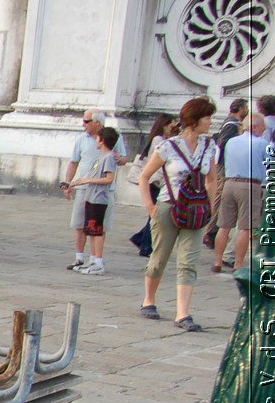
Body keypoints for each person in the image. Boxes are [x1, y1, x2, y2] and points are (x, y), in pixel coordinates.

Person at [136, 96, 220, 332]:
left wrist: (212, 207)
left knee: (188, 261)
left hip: (196, 210)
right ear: (194, 120)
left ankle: (183, 313)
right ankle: (149, 299)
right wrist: (150, 207)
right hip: (168, 206)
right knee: (159, 258)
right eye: (207, 117)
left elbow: (211, 178)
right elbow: (144, 177)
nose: (210, 122)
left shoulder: (209, 146)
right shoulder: (168, 146)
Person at [64, 110, 128, 270]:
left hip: (102, 192)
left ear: (97, 123)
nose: (83, 124)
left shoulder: (111, 142)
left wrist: (120, 160)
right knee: (80, 223)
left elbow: (120, 162)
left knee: (99, 226)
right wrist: (68, 183)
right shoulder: (82, 140)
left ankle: (96, 260)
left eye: (87, 121)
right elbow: (74, 162)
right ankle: (81, 258)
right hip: (85, 189)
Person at [212, 113, 268, 274]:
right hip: (250, 185)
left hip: (229, 183)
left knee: (224, 226)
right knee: (245, 228)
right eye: (262, 127)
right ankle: (237, 263)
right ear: (256, 127)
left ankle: (217, 262)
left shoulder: (231, 142)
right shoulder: (262, 144)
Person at [128, 113, 176, 257]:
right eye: (171, 126)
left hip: (157, 181)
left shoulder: (162, 139)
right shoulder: (159, 140)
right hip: (154, 181)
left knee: (156, 214)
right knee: (155, 215)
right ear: (164, 126)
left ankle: (139, 238)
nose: (173, 129)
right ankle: (146, 246)